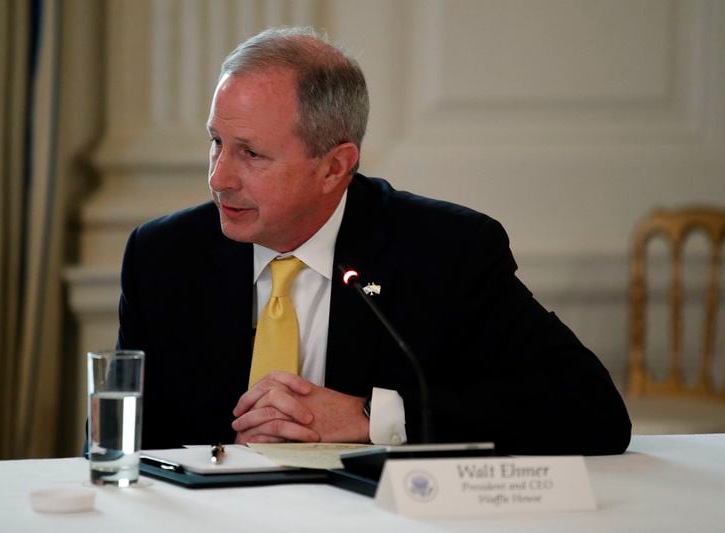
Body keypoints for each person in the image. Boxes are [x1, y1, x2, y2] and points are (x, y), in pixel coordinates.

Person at [117, 27, 631, 455]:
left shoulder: (445, 252)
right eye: (216, 144)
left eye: (251, 154)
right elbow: (124, 445)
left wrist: (373, 416)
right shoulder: (163, 257)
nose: (219, 178)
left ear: (334, 166)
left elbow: (590, 410)